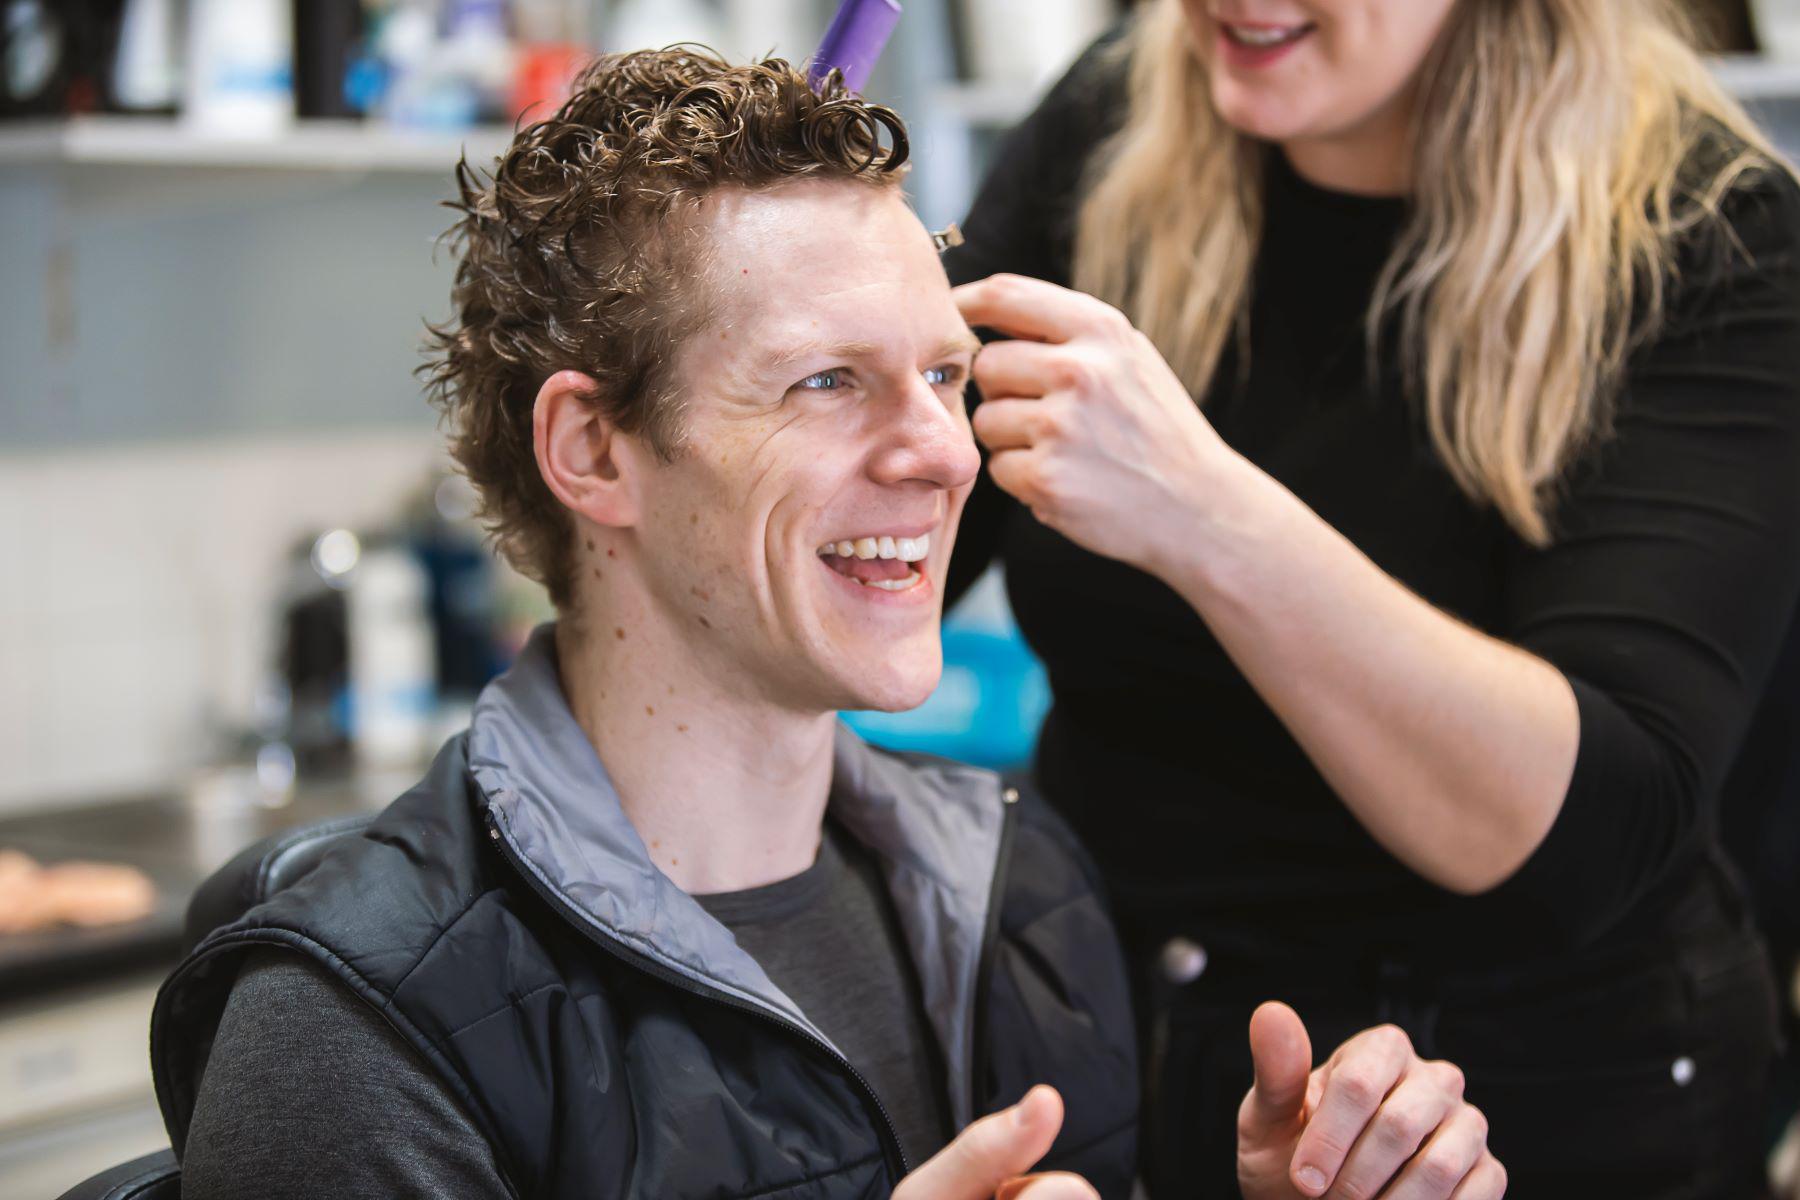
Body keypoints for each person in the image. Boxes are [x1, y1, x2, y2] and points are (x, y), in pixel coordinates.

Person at [147, 49, 1502, 1200]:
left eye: (942, 376)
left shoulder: (1028, 902)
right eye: (825, 381)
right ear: (594, 451)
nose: (944, 456)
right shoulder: (358, 1028)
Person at [940, 0, 1800, 1195]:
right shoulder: (1118, 118)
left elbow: (1588, 824)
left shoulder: (1707, 236)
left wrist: (1200, 511)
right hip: (1120, 1039)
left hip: (1503, 1104)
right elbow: (911, 497)